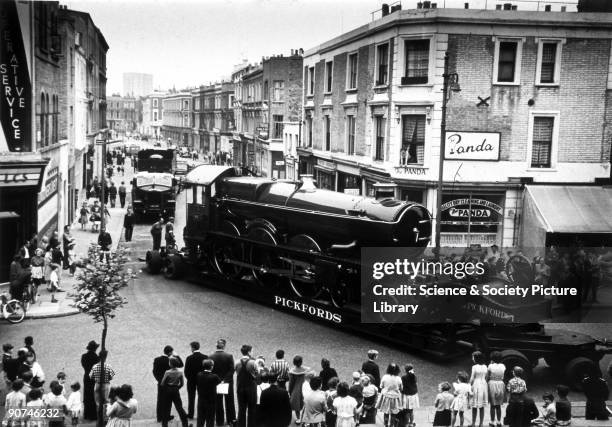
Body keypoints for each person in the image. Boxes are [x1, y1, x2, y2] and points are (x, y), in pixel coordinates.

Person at [153, 345, 184, 423]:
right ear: (170, 352)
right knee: (168, 401)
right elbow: (181, 364)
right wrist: (177, 355)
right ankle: (167, 416)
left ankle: (159, 417)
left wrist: (159, 380)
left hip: (161, 383)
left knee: (160, 400)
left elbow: (154, 371)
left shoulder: (157, 360)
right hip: (170, 384)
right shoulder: (171, 360)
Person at [209, 339, 236, 427]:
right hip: (227, 382)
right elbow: (232, 370)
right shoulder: (229, 356)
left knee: (218, 402)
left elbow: (210, 370)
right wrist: (225, 380)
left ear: (216, 346)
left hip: (216, 382)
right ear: (224, 346)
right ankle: (231, 420)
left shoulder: (211, 356)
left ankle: (219, 421)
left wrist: (217, 380)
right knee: (229, 402)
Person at [160, 356, 190, 427]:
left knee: (166, 408)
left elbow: (162, 383)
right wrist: (176, 388)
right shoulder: (180, 372)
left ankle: (165, 425)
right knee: (179, 407)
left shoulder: (167, 372)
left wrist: (167, 387)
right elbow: (182, 384)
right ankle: (185, 424)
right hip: (176, 390)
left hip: (168, 390)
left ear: (170, 364)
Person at [235, 344, 258, 427]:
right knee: (252, 409)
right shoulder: (253, 362)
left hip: (240, 387)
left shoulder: (237, 362)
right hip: (251, 388)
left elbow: (237, 372)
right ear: (249, 352)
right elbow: (257, 373)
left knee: (241, 409)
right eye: (252, 351)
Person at [185, 341, 208, 419]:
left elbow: (186, 371)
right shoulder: (205, 357)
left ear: (192, 348)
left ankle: (191, 414)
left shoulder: (189, 358)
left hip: (191, 381)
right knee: (202, 397)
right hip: (202, 380)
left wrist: (190, 379)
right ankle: (201, 414)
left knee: (191, 398)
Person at [196, 359, 220, 427]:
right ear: (212, 366)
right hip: (211, 400)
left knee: (200, 418)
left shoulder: (199, 374)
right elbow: (219, 383)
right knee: (210, 418)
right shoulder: (214, 376)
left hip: (201, 399)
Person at [81, 341, 100, 421]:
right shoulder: (96, 358)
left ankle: (86, 414)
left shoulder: (84, 356)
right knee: (93, 395)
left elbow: (84, 365)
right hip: (94, 377)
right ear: (95, 348)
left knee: (87, 395)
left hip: (86, 377)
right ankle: (93, 415)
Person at [487, 351, 505, 427]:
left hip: (492, 384)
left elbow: (487, 376)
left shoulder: (490, 366)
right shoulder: (503, 366)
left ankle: (492, 421)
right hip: (500, 384)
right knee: (498, 405)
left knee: (492, 405)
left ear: (492, 359)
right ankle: (498, 421)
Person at [469, 351, 488, 427]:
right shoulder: (485, 366)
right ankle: (481, 423)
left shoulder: (474, 367)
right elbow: (486, 377)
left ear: (475, 358)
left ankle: (473, 423)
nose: (472, 358)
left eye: (473, 357)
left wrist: (469, 386)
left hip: (476, 384)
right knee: (481, 406)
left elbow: (472, 378)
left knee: (475, 405)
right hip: (483, 384)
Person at [288, 355, 308, 423]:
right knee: (306, 403)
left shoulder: (292, 371)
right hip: (305, 388)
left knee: (297, 405)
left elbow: (291, 383)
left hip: (296, 390)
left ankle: (299, 418)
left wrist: (290, 391)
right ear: (301, 362)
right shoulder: (305, 369)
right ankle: (305, 418)